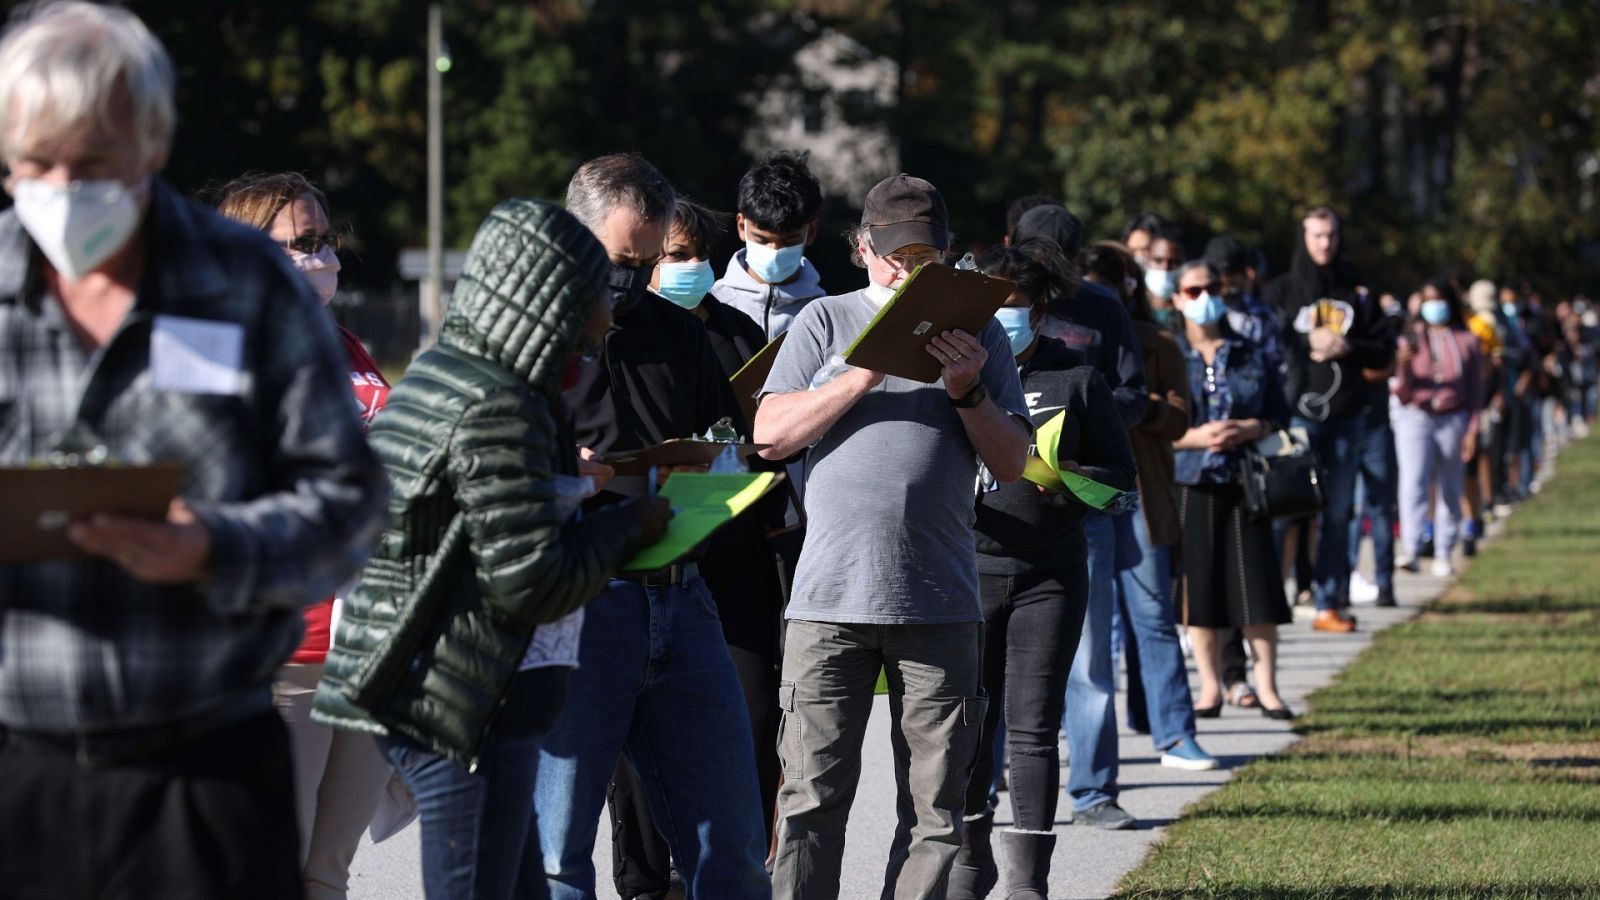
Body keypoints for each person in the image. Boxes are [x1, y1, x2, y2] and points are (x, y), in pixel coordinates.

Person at [0, 5, 390, 897]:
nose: (62, 187)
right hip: (22, 762)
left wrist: (216, 547)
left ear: (153, 141)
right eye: (34, 162)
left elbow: (350, 507)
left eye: (93, 160)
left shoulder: (245, 287)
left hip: (208, 757)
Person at [312, 199, 674, 900]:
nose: (609, 312)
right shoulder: (496, 403)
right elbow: (530, 581)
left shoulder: (454, 375)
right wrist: (631, 526)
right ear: (545, 300)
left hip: (462, 698)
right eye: (594, 293)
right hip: (460, 703)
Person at [755, 173, 1031, 898]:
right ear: (862, 249)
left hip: (938, 601)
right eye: (895, 257)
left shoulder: (980, 332)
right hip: (828, 601)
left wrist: (968, 391)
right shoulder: (824, 319)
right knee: (809, 801)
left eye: (924, 259)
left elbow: (1013, 463)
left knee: (935, 813)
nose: (908, 271)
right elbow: (770, 435)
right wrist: (864, 370)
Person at [533, 153, 770, 900]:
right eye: (618, 262)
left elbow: (730, 450)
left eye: (645, 263)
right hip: (576, 604)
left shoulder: (678, 333)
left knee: (732, 852)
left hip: (681, 597)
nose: (631, 280)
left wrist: (716, 475)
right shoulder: (524, 338)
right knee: (555, 858)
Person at [217, 172, 396, 900]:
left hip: (370, 645)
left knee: (327, 871)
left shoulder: (347, 346)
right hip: (285, 651)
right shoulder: (225, 354)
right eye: (298, 243)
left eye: (324, 241)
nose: (318, 257)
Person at [607, 196, 790, 900]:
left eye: (695, 256)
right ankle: (648, 883)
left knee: (744, 730)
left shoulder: (733, 333)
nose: (688, 268)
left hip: (728, 559)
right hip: (635, 566)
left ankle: (723, 870)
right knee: (634, 754)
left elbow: (746, 443)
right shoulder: (601, 332)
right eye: (671, 257)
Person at [950, 240, 1137, 900]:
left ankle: (1028, 881)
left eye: (1017, 307)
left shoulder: (1077, 378)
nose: (1004, 321)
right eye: (991, 308)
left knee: (1033, 730)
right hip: (967, 573)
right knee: (970, 729)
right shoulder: (948, 377)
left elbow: (1122, 486)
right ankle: (969, 864)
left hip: (1049, 577)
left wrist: (1075, 477)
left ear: (1039, 312)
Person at [1012, 202, 1150, 831]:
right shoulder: (988, 305)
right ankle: (983, 789)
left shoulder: (1101, 308)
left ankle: (1094, 791)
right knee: (989, 665)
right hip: (993, 522)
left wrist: (1083, 422)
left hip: (1077, 511)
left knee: (1091, 661)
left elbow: (1134, 393)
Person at [1085, 242, 1218, 766]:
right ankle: (1059, 748)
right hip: (1083, 490)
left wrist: (1139, 405)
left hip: (1139, 493)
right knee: (1085, 634)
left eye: (1107, 284)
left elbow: (1181, 419)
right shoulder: (1064, 335)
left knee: (1153, 616)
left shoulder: (1157, 341)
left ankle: (1174, 733)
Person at [1170, 261, 1297, 719]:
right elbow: (1150, 424)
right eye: (1194, 290)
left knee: (1256, 585)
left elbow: (1279, 413)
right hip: (1192, 479)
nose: (1205, 296)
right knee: (1199, 588)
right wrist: (1193, 437)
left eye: (1213, 287)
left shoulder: (1249, 351)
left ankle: (1268, 687)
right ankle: (1209, 688)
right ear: (1177, 298)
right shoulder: (1168, 354)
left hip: (1247, 478)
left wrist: (1248, 428)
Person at [1265, 206, 1391, 633]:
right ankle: (1268, 603)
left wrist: (1349, 346)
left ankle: (1328, 602)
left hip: (1347, 417)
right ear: (1303, 237)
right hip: (1294, 417)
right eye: (1317, 235)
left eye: (1331, 235)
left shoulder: (1358, 289)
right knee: (1281, 509)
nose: (1325, 243)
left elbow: (1385, 351)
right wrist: (1306, 340)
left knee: (1337, 514)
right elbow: (1267, 340)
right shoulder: (1282, 290)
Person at [1392, 280, 1485, 578]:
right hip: (1417, 415)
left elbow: (1475, 391)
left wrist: (1472, 430)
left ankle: (1444, 550)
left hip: (1453, 416)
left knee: (1450, 485)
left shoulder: (1468, 340)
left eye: (1439, 299)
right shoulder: (1411, 337)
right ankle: (1412, 546)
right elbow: (1401, 391)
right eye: (1428, 300)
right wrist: (1401, 365)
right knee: (1413, 482)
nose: (1434, 306)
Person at [710, 150, 827, 338]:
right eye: (762, 240)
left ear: (810, 232)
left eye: (789, 241)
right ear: (742, 226)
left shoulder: (825, 316)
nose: (774, 251)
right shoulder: (712, 306)